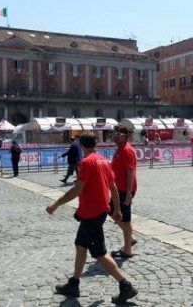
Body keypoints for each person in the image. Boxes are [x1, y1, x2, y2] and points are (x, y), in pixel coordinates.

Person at [46, 131, 138, 304]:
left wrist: (56, 204)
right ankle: (74, 283)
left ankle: (126, 286)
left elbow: (76, 189)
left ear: (81, 145)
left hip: (92, 213)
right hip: (94, 212)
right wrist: (116, 208)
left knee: (100, 254)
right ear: (95, 144)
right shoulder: (103, 160)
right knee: (80, 245)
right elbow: (114, 187)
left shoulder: (87, 163)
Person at [110, 125, 138, 258]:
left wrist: (128, 194)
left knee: (125, 219)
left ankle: (127, 250)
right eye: (114, 134)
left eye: (119, 134)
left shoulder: (127, 150)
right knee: (111, 210)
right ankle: (130, 238)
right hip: (118, 189)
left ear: (125, 136)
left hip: (125, 190)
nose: (115, 136)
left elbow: (130, 173)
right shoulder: (119, 149)